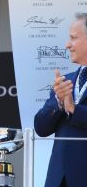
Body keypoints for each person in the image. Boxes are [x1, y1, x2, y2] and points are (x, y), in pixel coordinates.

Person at [34, 13, 87, 187]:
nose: (67, 44)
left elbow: (75, 111)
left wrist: (73, 109)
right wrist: (58, 100)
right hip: (58, 179)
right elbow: (40, 128)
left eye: (73, 38)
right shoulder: (65, 82)